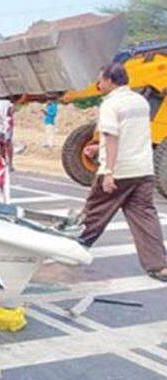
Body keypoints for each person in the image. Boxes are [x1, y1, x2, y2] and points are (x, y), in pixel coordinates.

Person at [80, 64, 167, 281]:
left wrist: (108, 171)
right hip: (143, 170)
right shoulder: (140, 102)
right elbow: (130, 133)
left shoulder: (111, 104)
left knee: (93, 216)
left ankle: (69, 253)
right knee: (145, 218)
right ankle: (159, 266)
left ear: (110, 80)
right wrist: (96, 148)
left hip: (120, 171)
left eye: (100, 80)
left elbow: (112, 137)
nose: (98, 85)